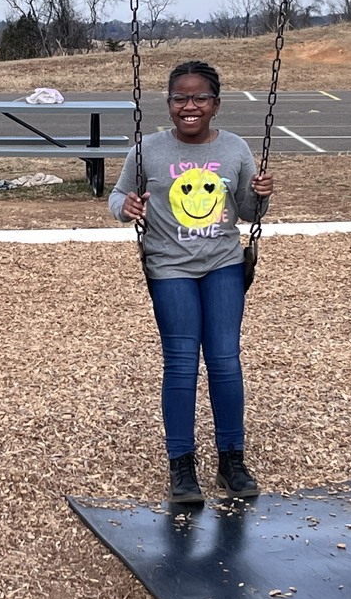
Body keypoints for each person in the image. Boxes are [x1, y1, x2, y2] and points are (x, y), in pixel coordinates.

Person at [108, 60, 274, 503]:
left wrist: (261, 196)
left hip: (222, 263)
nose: (190, 106)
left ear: (215, 105)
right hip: (169, 265)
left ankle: (231, 461)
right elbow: (118, 194)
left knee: (224, 360)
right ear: (168, 104)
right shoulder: (149, 150)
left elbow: (247, 214)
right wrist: (126, 208)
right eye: (180, 98)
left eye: (200, 98)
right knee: (181, 362)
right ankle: (182, 466)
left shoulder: (236, 149)